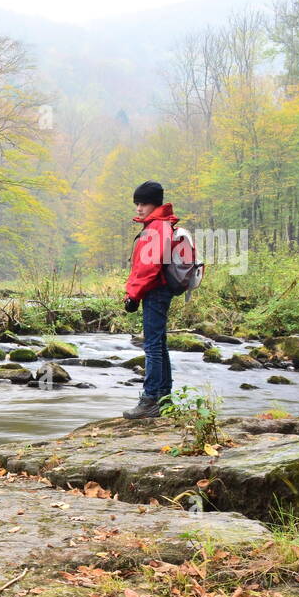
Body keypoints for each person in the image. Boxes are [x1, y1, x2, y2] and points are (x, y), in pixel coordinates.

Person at [122, 180, 178, 420]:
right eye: (137, 203)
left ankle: (150, 399)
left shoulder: (156, 227)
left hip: (154, 290)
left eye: (143, 203)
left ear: (154, 203)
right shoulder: (162, 225)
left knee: (152, 346)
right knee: (159, 344)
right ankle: (164, 399)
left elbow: (148, 267)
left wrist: (132, 295)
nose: (138, 208)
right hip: (159, 289)